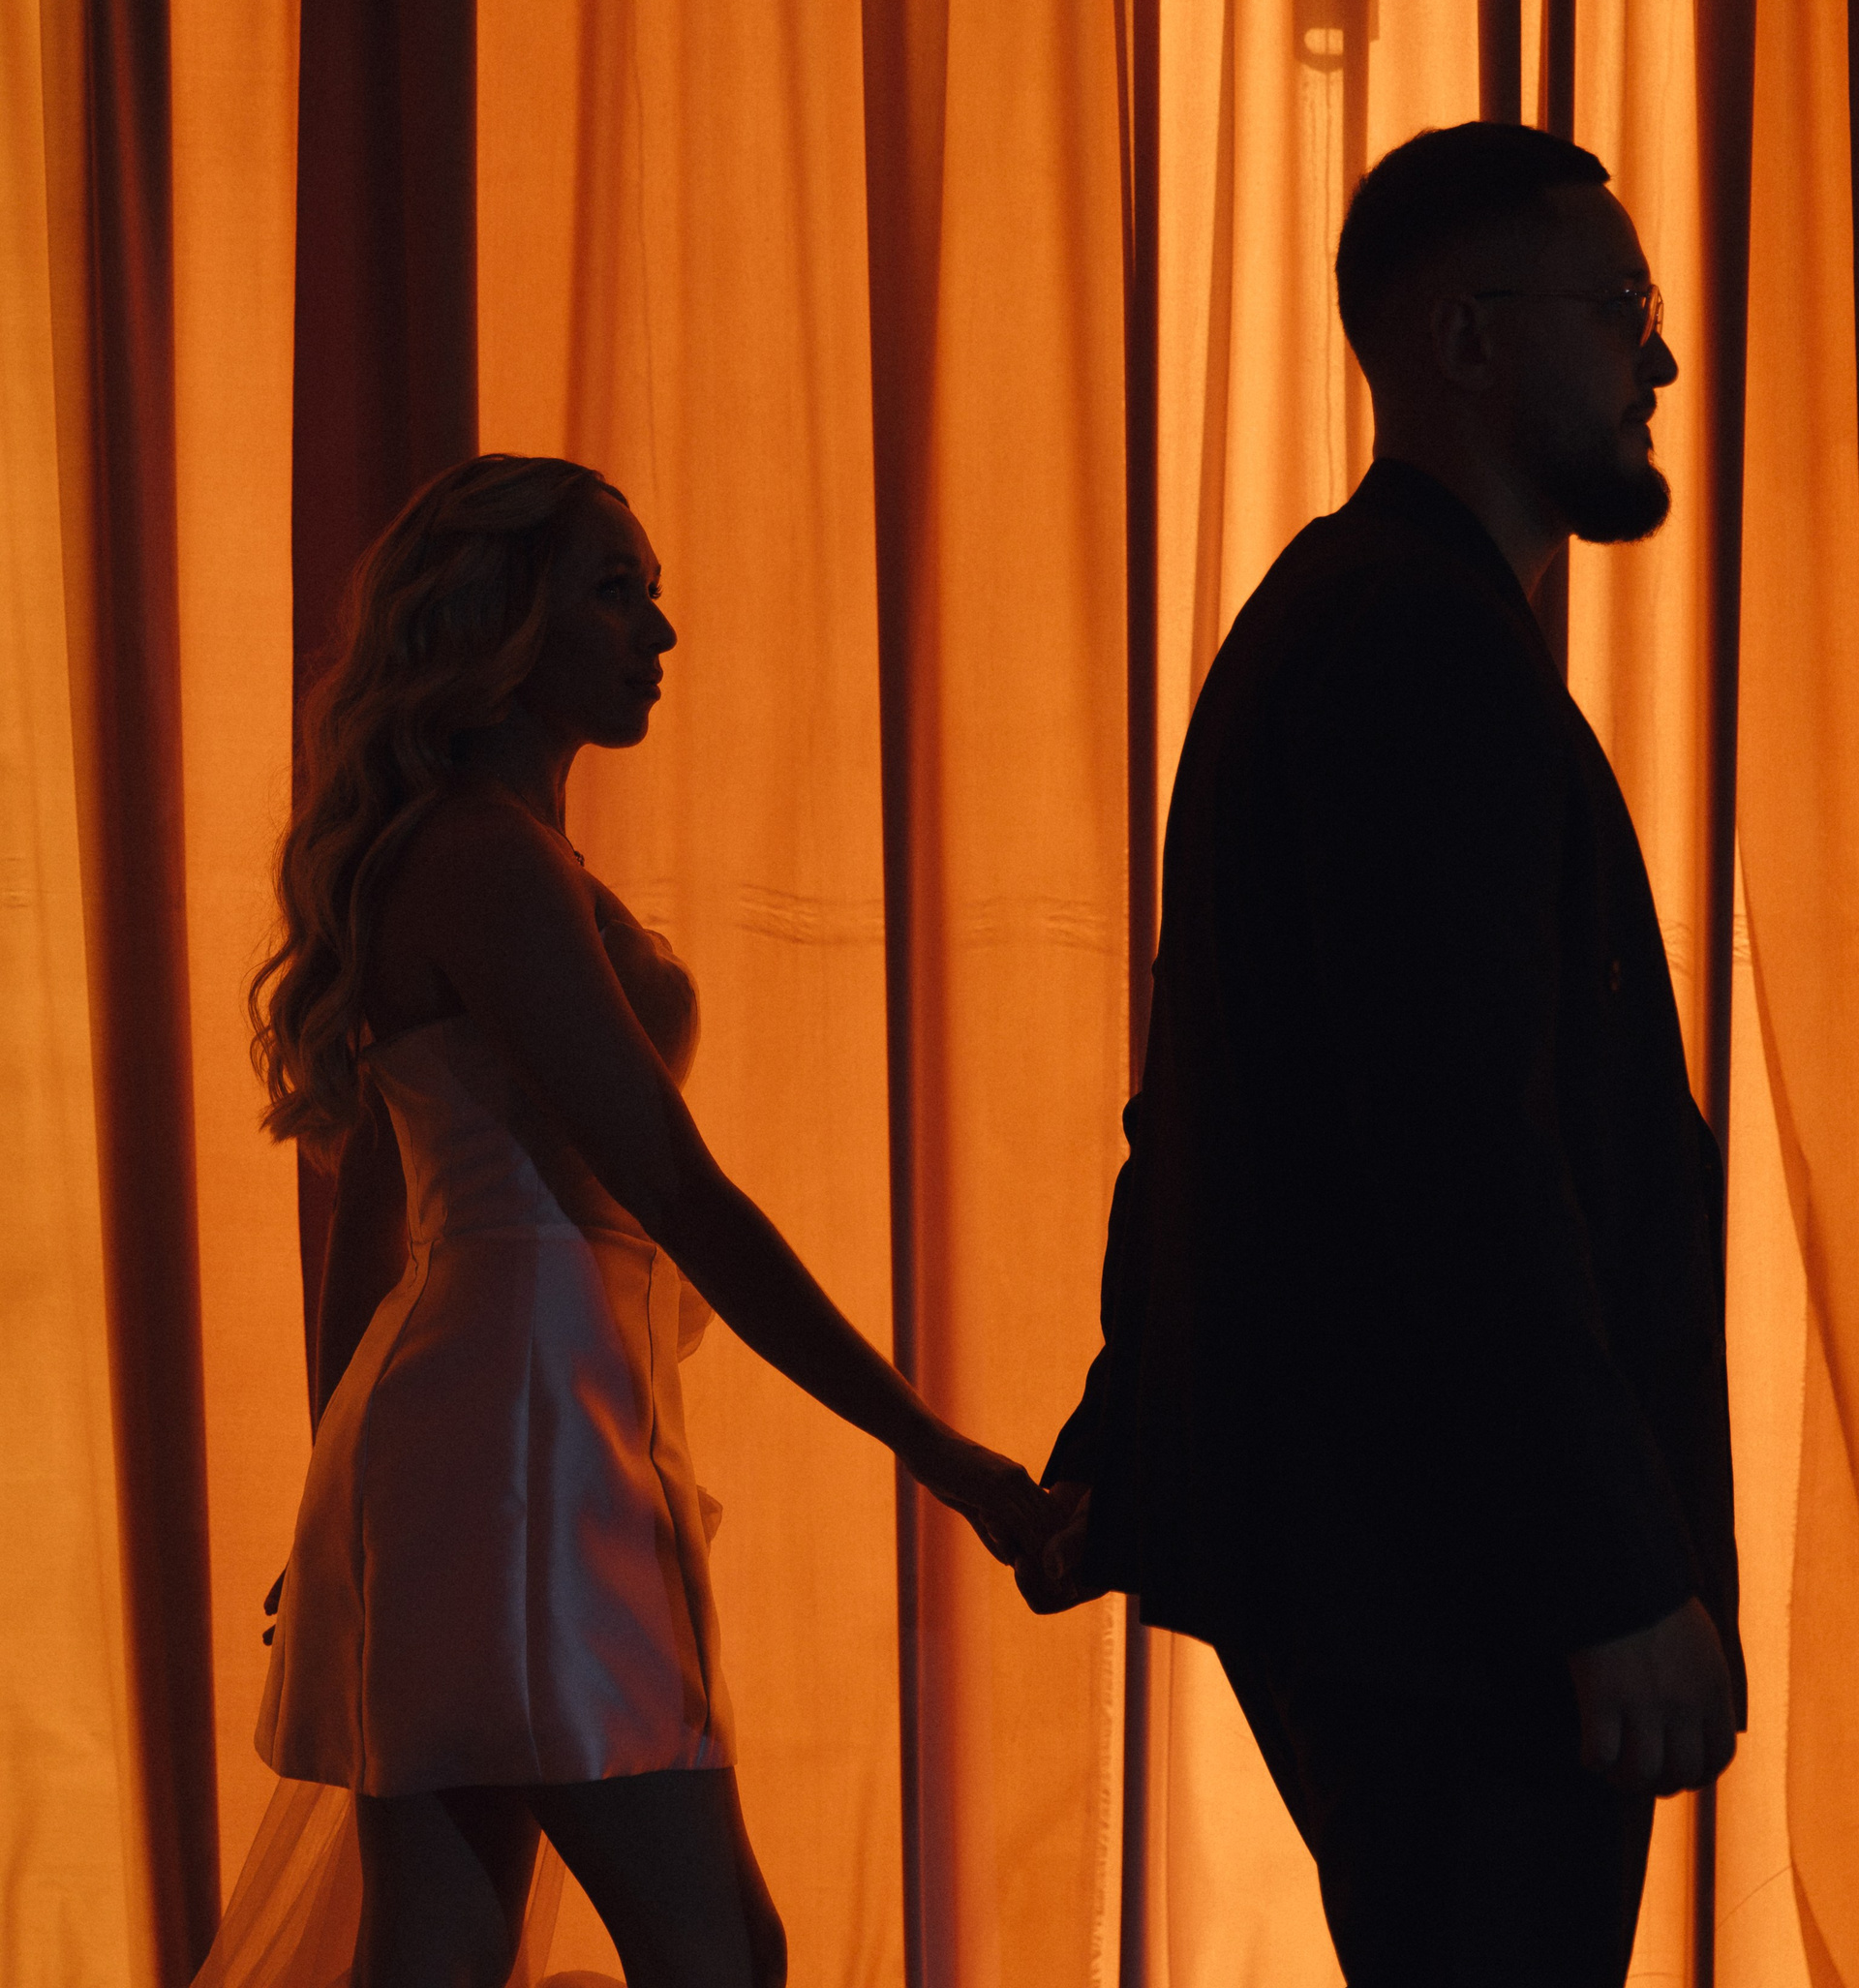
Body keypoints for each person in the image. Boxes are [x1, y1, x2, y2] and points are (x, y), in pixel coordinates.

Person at [1019, 124, 1744, 1985]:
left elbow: (1221, 1091)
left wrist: (1126, 1422)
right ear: (1470, 339)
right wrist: (1609, 1570)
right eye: (1622, 307)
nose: (1663, 358)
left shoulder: (1353, 624)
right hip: (1469, 1583)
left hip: (1421, 1564)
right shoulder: (1415, 650)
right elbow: (1455, 1153)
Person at [235, 454, 1051, 1988]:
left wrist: (346, 1510)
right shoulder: (486, 860)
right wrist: (940, 1453)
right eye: (616, 593)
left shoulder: (485, 854)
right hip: (526, 1440)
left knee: (441, 1950)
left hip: (481, 1435)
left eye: (652, 595)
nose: (659, 633)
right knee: (715, 1950)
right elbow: (679, 1193)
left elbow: (374, 1222)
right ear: (500, 619)